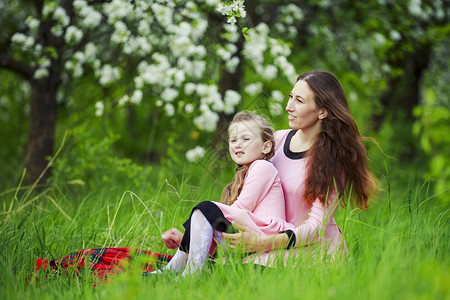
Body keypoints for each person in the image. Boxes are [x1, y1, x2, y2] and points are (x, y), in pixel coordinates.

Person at [163, 70, 377, 267]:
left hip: (310, 250)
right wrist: (196, 237)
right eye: (291, 96)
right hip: (265, 240)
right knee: (223, 266)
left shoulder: (333, 159)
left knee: (239, 270)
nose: (289, 106)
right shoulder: (277, 140)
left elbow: (316, 228)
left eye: (299, 100)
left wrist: (262, 242)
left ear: (322, 111)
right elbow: (249, 203)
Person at [154, 111, 290, 276]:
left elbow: (240, 210)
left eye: (246, 139)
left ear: (266, 146)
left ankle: (187, 274)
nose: (238, 144)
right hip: (249, 235)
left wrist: (203, 220)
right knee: (204, 213)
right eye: (233, 140)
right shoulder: (244, 174)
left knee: (205, 209)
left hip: (263, 236)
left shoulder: (263, 167)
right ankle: (173, 270)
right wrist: (192, 235)